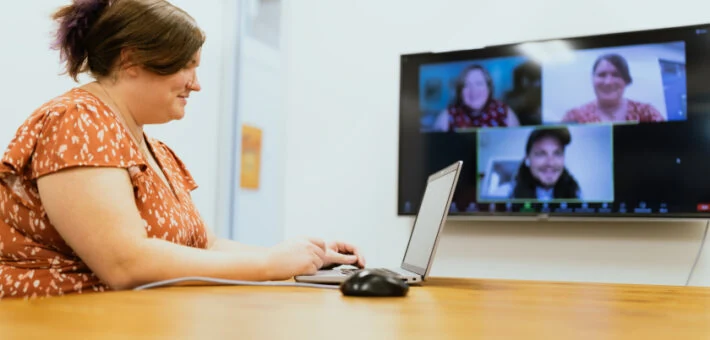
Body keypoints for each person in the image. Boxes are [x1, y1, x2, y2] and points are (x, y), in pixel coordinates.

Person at [0, 0, 364, 299]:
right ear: (130, 62)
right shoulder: (76, 122)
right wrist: (269, 264)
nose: (197, 84)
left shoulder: (148, 146)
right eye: (187, 67)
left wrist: (306, 257)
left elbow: (205, 246)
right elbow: (125, 264)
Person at [562, 54, 665, 124]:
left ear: (626, 80)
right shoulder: (573, 117)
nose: (608, 82)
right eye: (602, 75)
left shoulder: (647, 113)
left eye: (616, 75)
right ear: (592, 79)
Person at [432, 65, 520, 131]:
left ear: (489, 88)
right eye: (467, 85)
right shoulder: (447, 116)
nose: (473, 90)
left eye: (479, 84)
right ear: (460, 91)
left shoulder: (504, 113)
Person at [510, 127, 581, 200]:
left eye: (557, 153)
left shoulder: (575, 193)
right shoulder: (507, 194)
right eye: (541, 154)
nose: (550, 163)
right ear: (527, 158)